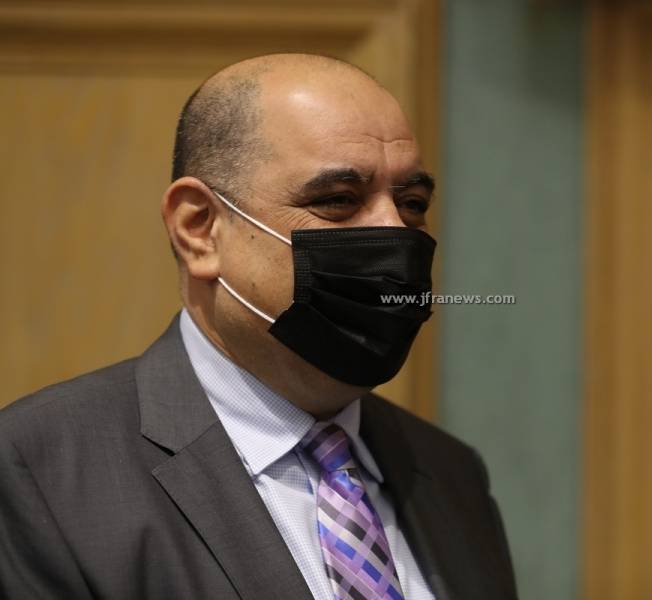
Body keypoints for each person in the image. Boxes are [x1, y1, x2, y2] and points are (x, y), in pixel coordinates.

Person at [0, 54, 517, 600]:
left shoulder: (450, 474)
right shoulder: (41, 471)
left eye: (412, 204)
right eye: (338, 201)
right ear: (200, 228)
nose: (395, 232)